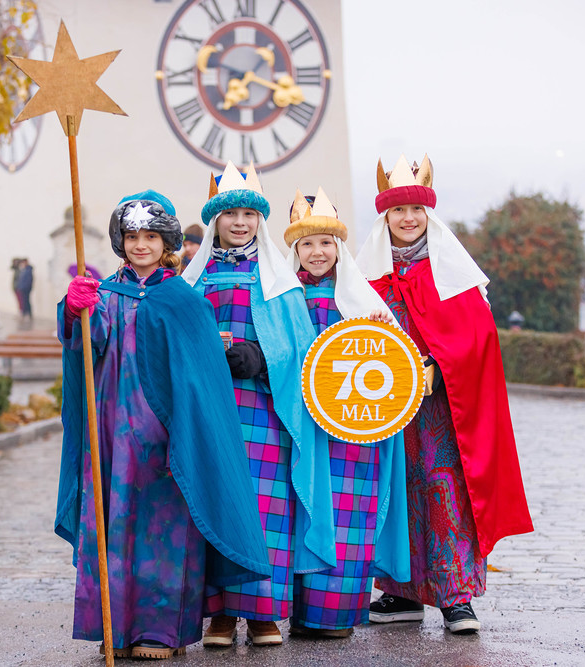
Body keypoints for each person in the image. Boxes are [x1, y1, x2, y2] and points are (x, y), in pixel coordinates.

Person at [56, 190, 271, 659]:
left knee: (162, 529)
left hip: (164, 437)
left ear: (165, 241)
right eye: (132, 236)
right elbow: (88, 347)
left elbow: (202, 378)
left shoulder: (183, 300)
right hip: (111, 433)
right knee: (113, 522)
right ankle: (114, 626)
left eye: (150, 236)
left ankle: (159, 630)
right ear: (121, 241)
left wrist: (185, 431)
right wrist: (75, 312)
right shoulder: (106, 295)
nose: (140, 245)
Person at [356, 155, 534, 634]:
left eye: (416, 210)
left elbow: (478, 338)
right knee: (392, 493)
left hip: (440, 411)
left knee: (443, 489)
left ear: (428, 215)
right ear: (385, 217)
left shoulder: (453, 273)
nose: (408, 219)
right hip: (386, 410)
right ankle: (398, 591)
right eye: (398, 212)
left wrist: (439, 366)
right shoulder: (365, 276)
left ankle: (456, 597)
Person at [181, 162, 336, 648]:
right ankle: (223, 615)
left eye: (250, 213)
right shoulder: (194, 278)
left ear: (259, 219)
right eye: (231, 214)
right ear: (215, 221)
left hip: (263, 409)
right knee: (218, 504)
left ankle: (264, 614)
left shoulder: (280, 281)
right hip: (211, 410)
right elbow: (177, 339)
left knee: (266, 507)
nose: (241, 222)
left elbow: (303, 347)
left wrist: (262, 359)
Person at [282, 187, 411, 638]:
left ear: (338, 247)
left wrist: (381, 334)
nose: (317, 252)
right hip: (303, 425)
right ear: (294, 249)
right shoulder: (284, 296)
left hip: (353, 429)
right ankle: (302, 612)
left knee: (349, 515)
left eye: (325, 243)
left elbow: (388, 364)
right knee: (305, 511)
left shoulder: (364, 300)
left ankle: (334, 616)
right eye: (307, 244)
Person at [12, 257, 34, 326]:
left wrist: (24, 288)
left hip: (26, 289)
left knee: (26, 302)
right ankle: (25, 314)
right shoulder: (23, 270)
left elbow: (28, 281)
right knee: (23, 302)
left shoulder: (28, 270)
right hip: (22, 289)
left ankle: (27, 315)